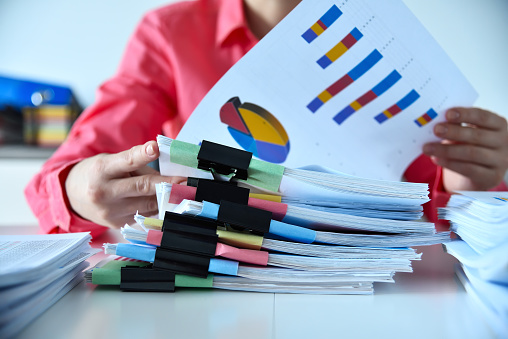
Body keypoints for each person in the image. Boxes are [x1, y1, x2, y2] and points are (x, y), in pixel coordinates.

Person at [24, 0, 508, 237]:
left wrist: (467, 185)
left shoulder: (384, 48)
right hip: (205, 283)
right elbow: (61, 179)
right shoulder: (170, 35)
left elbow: (425, 209)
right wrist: (77, 189)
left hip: (360, 293)